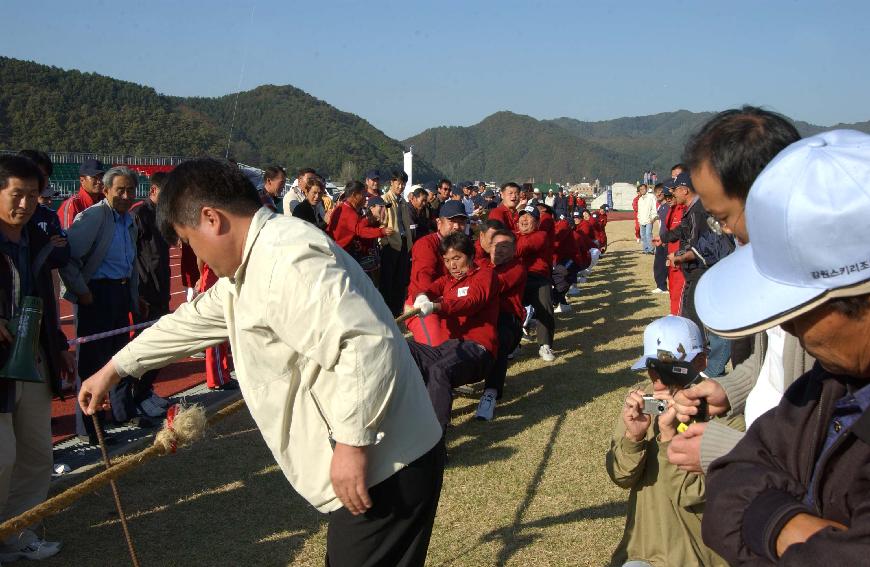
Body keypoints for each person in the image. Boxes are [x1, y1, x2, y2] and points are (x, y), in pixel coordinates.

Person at [78, 158, 444, 567]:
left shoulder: (286, 258)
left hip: (386, 463)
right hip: (382, 458)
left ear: (211, 219)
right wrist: (116, 368)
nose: (194, 254)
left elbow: (364, 345)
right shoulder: (248, 268)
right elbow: (191, 320)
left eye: (189, 240)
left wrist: (351, 445)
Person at [694, 130, 870, 565]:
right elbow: (731, 485)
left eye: (800, 310)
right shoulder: (832, 382)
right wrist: (793, 526)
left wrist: (767, 518)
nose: (787, 328)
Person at [666, 107, 807, 477]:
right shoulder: (774, 275)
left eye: (725, 217)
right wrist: (730, 388)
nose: (726, 232)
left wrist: (728, 450)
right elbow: (773, 362)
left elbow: (822, 448)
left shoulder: (825, 305)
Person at [607, 316, 738, 567]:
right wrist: (633, 438)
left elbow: (694, 492)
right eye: (651, 367)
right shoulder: (643, 400)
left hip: (695, 554)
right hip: (642, 551)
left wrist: (669, 436)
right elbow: (621, 477)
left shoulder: (722, 411)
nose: (657, 377)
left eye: (668, 366)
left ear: (701, 361)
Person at [0, 156, 72, 562]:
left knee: (36, 453)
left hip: (34, 359)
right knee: (2, 456)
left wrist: (58, 344)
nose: (26, 204)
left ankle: (16, 533)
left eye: (34, 195)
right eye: (17, 195)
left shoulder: (34, 239)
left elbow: (44, 295)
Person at [60, 166, 149, 443]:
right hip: (97, 295)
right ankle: (90, 427)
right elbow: (68, 256)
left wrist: (134, 298)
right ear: (106, 190)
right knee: (92, 363)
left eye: (130, 190)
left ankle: (122, 412)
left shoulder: (128, 220)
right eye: (119, 190)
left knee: (122, 356)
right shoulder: (94, 216)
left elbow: (130, 263)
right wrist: (82, 291)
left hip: (121, 293)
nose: (125, 195)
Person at [408, 232, 499, 429]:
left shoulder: (485, 275)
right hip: (451, 347)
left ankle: (434, 438)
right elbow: (428, 289)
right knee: (406, 349)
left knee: (438, 369)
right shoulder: (447, 281)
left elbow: (470, 302)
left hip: (478, 349)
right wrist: (422, 296)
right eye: (447, 260)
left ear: (471, 256)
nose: (452, 265)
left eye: (457, 258)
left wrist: (438, 306)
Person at [129, 171, 173, 418]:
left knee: (160, 345)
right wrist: (137, 294)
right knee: (145, 345)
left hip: (162, 287)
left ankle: (145, 390)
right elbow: (132, 255)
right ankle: (137, 394)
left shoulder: (162, 215)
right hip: (146, 289)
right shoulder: (139, 214)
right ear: (154, 190)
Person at [475, 228, 526, 421]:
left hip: (506, 318)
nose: (500, 250)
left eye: (506, 246)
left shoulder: (516, 267)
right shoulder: (480, 263)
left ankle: (490, 393)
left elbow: (494, 285)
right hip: (481, 315)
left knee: (499, 338)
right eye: (496, 245)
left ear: (514, 250)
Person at [404, 200, 468, 347]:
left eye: (461, 222)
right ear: (439, 222)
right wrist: (423, 297)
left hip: (450, 303)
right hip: (423, 303)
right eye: (452, 221)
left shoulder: (465, 246)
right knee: (436, 350)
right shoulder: (427, 244)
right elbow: (423, 276)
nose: (457, 226)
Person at [326, 182, 393, 283]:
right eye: (363, 194)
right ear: (354, 195)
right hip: (340, 254)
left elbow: (356, 226)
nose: (365, 198)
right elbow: (360, 230)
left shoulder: (344, 207)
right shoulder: (348, 211)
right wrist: (382, 231)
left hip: (340, 252)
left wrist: (367, 220)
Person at [515, 205, 556, 362]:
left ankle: (545, 345)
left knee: (544, 306)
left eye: (529, 216)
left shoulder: (541, 235)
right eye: (522, 216)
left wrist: (506, 248)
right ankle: (514, 345)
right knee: (510, 309)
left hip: (537, 277)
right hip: (517, 277)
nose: (524, 219)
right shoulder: (513, 235)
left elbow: (524, 248)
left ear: (537, 222)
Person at [379, 170, 414, 316]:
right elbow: (381, 222)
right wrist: (385, 241)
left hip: (404, 242)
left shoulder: (403, 201)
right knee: (388, 280)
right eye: (398, 183)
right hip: (391, 244)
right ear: (391, 183)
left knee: (401, 278)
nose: (401, 186)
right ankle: (386, 311)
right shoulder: (385, 200)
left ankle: (397, 310)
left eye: (403, 184)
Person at [56, 158, 105, 230]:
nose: (99, 181)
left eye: (101, 177)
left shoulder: (106, 200)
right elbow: (66, 236)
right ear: (82, 180)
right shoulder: (73, 203)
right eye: (94, 178)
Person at [636, 184, 657, 254]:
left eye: (643, 189)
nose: (642, 190)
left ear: (646, 189)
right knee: (643, 235)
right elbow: (639, 210)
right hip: (642, 220)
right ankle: (646, 249)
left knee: (648, 234)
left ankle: (651, 249)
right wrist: (639, 219)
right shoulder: (640, 199)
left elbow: (654, 207)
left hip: (649, 219)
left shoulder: (651, 196)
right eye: (640, 189)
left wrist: (653, 217)